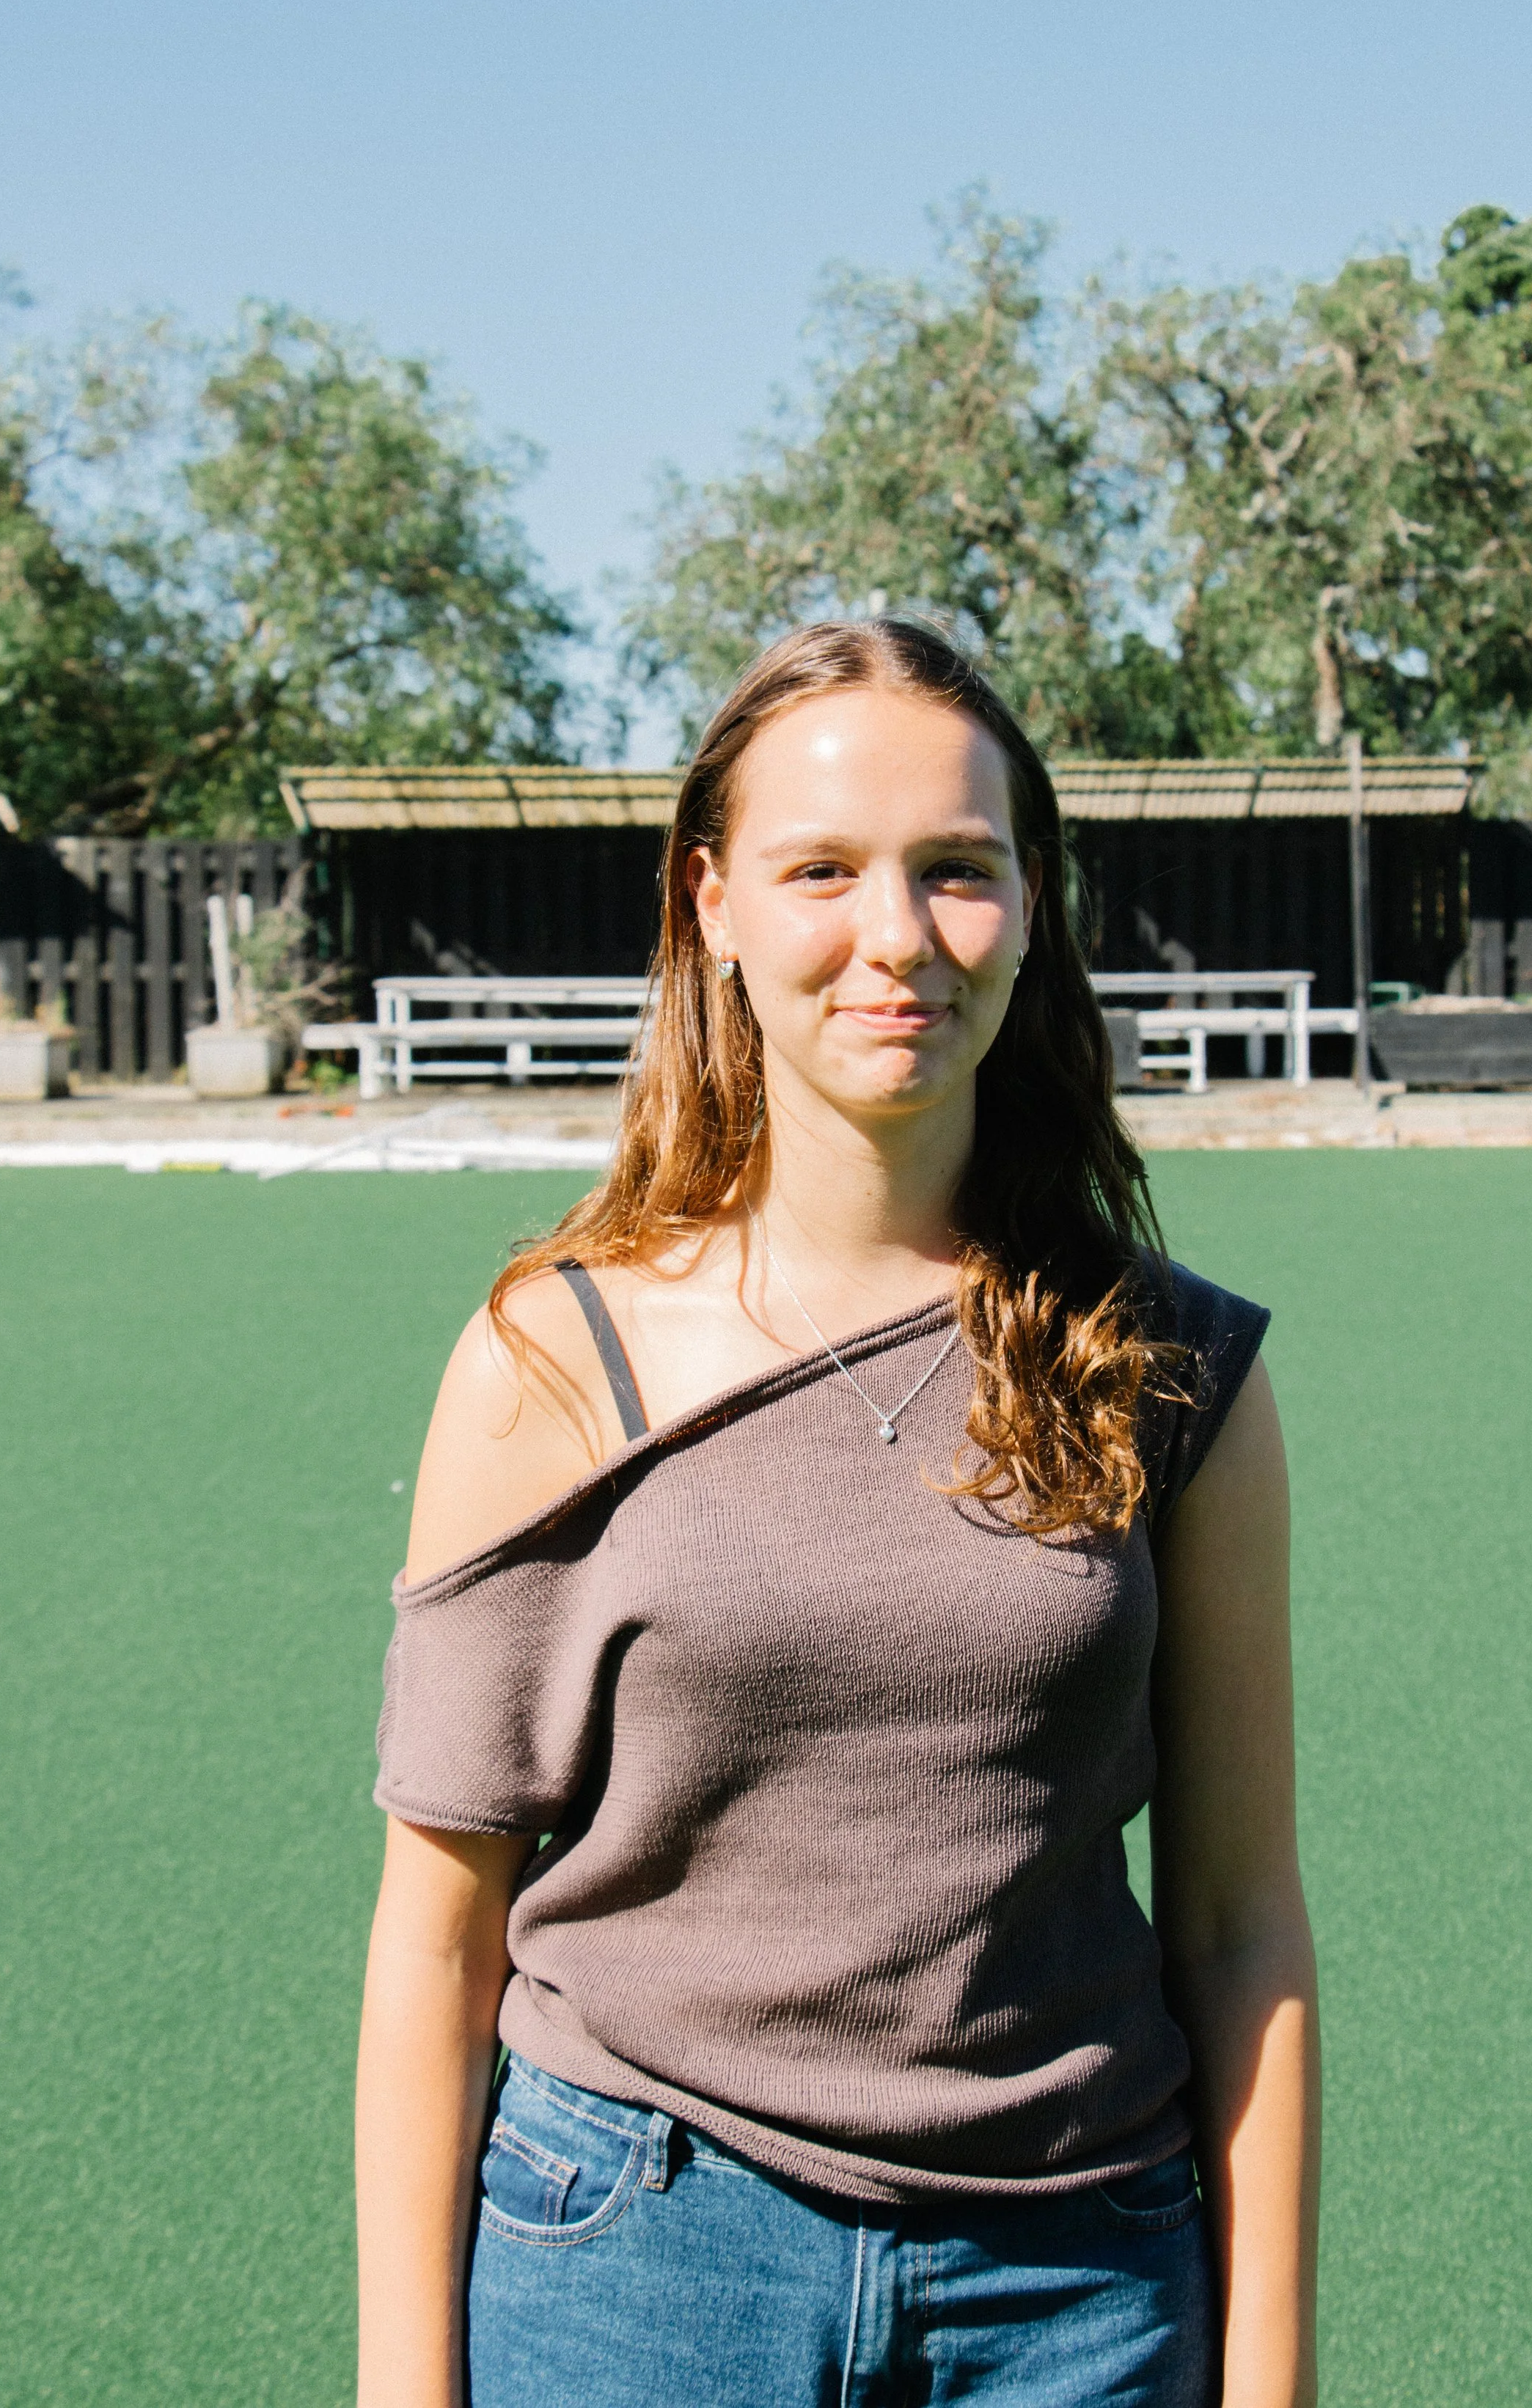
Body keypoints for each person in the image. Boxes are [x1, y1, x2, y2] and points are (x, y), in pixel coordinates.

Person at [355, 619, 1319, 2408]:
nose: (895, 940)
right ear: (711, 905)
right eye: (821, 871)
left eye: (957, 871)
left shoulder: (1171, 1369)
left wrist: (1268, 2381)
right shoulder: (548, 1362)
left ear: (1032, 909)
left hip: (1079, 2284)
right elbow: (435, 1940)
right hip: (639, 2261)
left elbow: (1237, 1929)